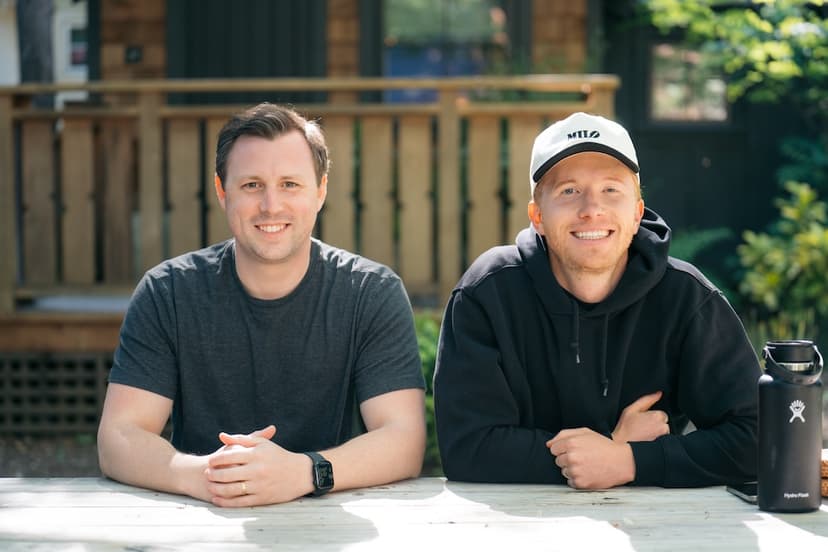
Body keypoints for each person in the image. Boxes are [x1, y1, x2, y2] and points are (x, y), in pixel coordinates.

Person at [98, 103, 426, 507]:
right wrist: (207, 477)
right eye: (252, 185)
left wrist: (305, 472)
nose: (271, 206)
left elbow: (403, 439)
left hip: (331, 520)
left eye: (290, 184)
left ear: (320, 191)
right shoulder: (168, 292)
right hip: (198, 520)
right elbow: (119, 436)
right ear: (222, 191)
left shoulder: (370, 293)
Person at [433, 112, 760, 489]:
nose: (591, 209)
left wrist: (630, 462)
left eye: (611, 190)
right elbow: (467, 449)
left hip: (657, 534)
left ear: (637, 212)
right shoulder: (488, 293)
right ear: (537, 215)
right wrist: (608, 450)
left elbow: (759, 439)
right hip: (517, 529)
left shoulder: (686, 297)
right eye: (569, 191)